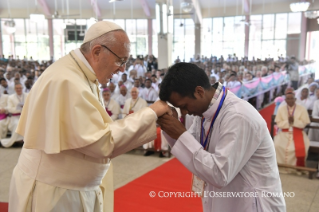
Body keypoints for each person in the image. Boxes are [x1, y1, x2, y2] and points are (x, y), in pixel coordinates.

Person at [8, 21, 170, 212]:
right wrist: (152, 112)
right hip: (54, 194)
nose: (122, 69)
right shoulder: (66, 81)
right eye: (121, 60)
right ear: (97, 51)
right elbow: (101, 141)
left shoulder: (82, 73)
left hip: (72, 189)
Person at [157, 63, 286, 212]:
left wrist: (180, 133)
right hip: (227, 198)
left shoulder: (238, 116)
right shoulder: (204, 110)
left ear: (199, 92)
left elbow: (219, 174)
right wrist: (170, 128)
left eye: (184, 106)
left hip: (252, 204)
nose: (184, 112)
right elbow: (191, 145)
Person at [274, 88, 310, 169]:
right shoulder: (281, 108)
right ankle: (279, 167)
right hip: (284, 133)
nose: (290, 100)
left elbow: (304, 123)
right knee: (277, 145)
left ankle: (296, 169)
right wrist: (288, 121)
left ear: (295, 99)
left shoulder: (302, 109)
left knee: (300, 147)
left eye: (291, 98)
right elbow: (279, 123)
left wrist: (294, 121)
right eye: (288, 99)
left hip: (298, 133)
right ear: (285, 100)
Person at [1, 84, 27, 148]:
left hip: (26, 116)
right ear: (15, 89)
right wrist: (20, 109)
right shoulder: (11, 97)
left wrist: (23, 109)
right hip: (14, 117)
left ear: (22, 88)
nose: (19, 90)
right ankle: (18, 141)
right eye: (17, 88)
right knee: (17, 124)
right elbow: (10, 109)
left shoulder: (27, 95)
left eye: (20, 88)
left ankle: (26, 140)